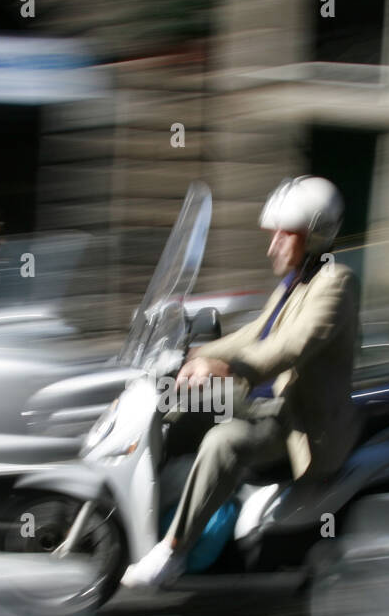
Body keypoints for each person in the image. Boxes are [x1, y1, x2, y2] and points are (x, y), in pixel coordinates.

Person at [121, 175, 360, 590]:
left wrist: (230, 369)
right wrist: (196, 355)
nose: (272, 246)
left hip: (296, 420)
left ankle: (173, 552)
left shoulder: (335, 285)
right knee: (172, 406)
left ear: (314, 236)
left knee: (223, 442)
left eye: (284, 236)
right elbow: (257, 332)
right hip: (263, 402)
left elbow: (291, 345)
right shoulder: (295, 283)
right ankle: (156, 506)